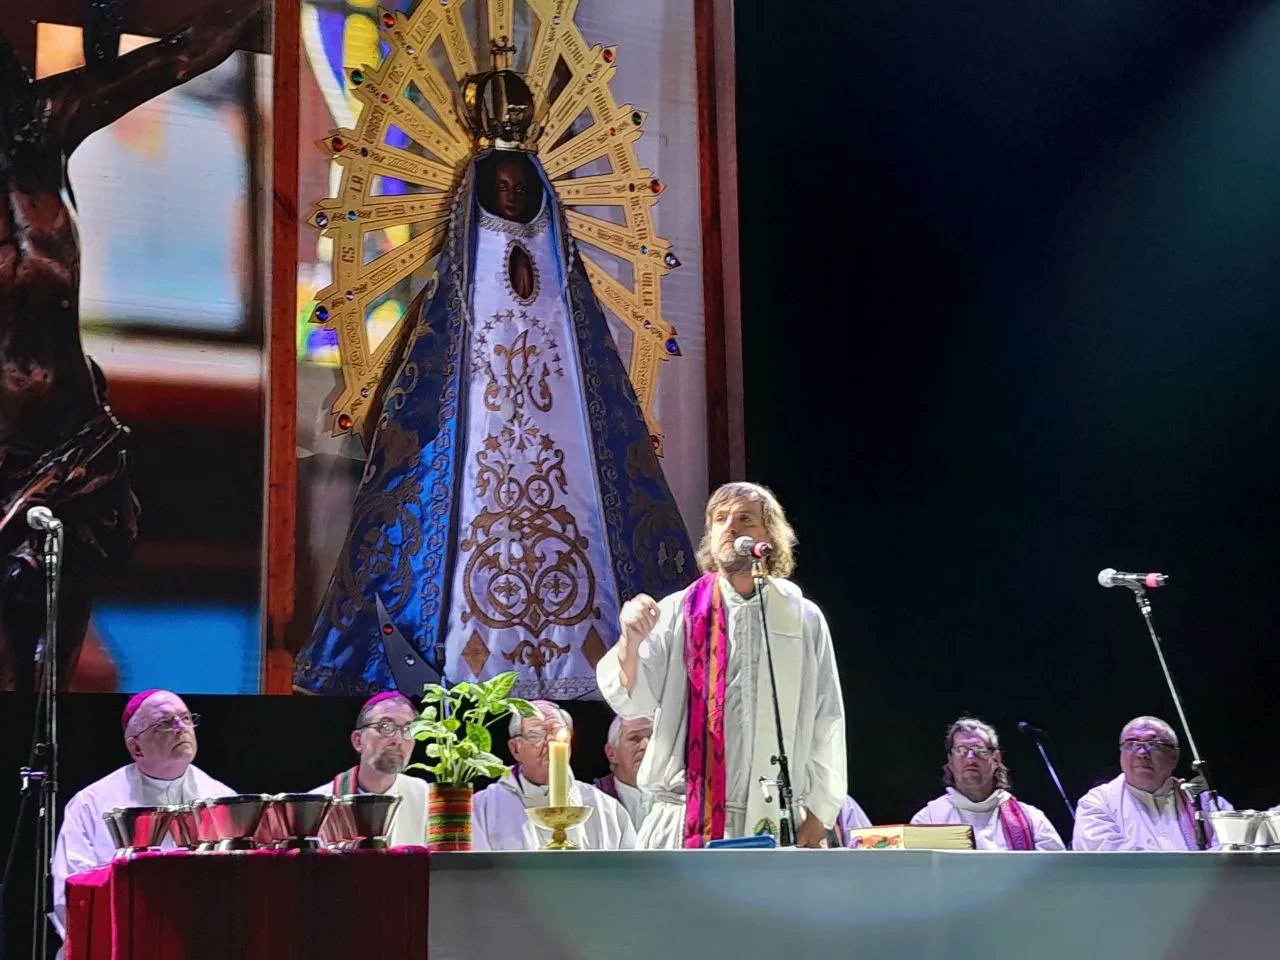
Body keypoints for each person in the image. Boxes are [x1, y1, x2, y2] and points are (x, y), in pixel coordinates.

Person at [296, 69, 693, 699]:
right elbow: (427, 396)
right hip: (476, 439)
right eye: (499, 186)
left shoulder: (567, 293)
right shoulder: (455, 297)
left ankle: (594, 667)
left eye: (520, 187)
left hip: (563, 434)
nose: (510, 198)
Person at [0, 4, 262, 691]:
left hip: (72, 443)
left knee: (50, 660)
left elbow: (182, 55)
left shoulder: (43, 125)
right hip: (5, 457)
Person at [597, 481, 846, 848]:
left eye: (746, 518)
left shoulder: (801, 619)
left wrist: (820, 814)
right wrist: (630, 642)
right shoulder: (677, 612)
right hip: (683, 820)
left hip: (775, 822)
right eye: (720, 518)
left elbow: (827, 719)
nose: (731, 526)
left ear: (770, 537)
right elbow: (632, 704)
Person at [50, 690, 234, 933]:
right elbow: (71, 891)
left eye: (186, 718)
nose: (182, 728)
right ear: (136, 747)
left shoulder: (224, 800)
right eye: (165, 723)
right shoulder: (90, 804)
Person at [471, 700, 635, 849]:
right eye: (536, 735)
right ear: (515, 748)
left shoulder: (606, 809)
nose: (550, 742)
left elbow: (631, 873)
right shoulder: (483, 808)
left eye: (558, 733)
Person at [1073, 715, 1232, 851]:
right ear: (1120, 754)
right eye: (1131, 745)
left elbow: (1233, 855)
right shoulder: (1098, 803)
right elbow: (1109, 862)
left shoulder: (1207, 803)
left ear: (1174, 756)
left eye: (1153, 745)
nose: (1141, 753)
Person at [910, 717, 1063, 850]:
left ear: (995, 759)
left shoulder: (1031, 819)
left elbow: (1056, 874)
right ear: (950, 761)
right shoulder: (929, 819)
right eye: (961, 750)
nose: (970, 758)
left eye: (979, 750)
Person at [309, 692, 428, 846]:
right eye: (385, 727)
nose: (398, 740)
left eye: (407, 730)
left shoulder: (426, 799)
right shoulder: (318, 805)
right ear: (358, 741)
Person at [593, 714, 653, 830]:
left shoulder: (676, 799)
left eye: (651, 738)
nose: (646, 745)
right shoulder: (591, 800)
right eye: (635, 738)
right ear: (611, 753)